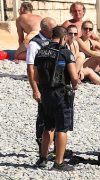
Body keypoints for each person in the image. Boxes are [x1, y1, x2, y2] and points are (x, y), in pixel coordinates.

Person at [34, 26, 79, 171]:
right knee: (62, 128)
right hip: (61, 94)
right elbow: (73, 76)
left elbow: (35, 77)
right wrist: (75, 85)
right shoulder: (65, 52)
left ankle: (42, 159)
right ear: (64, 37)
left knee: (48, 127)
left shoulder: (40, 52)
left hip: (45, 94)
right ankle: (59, 162)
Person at [26, 17, 57, 154]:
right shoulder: (35, 44)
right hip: (42, 85)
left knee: (56, 115)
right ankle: (42, 145)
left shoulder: (54, 40)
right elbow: (30, 68)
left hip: (55, 85)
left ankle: (56, 146)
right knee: (44, 116)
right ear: (44, 29)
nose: (55, 31)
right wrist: (35, 89)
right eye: (52, 29)